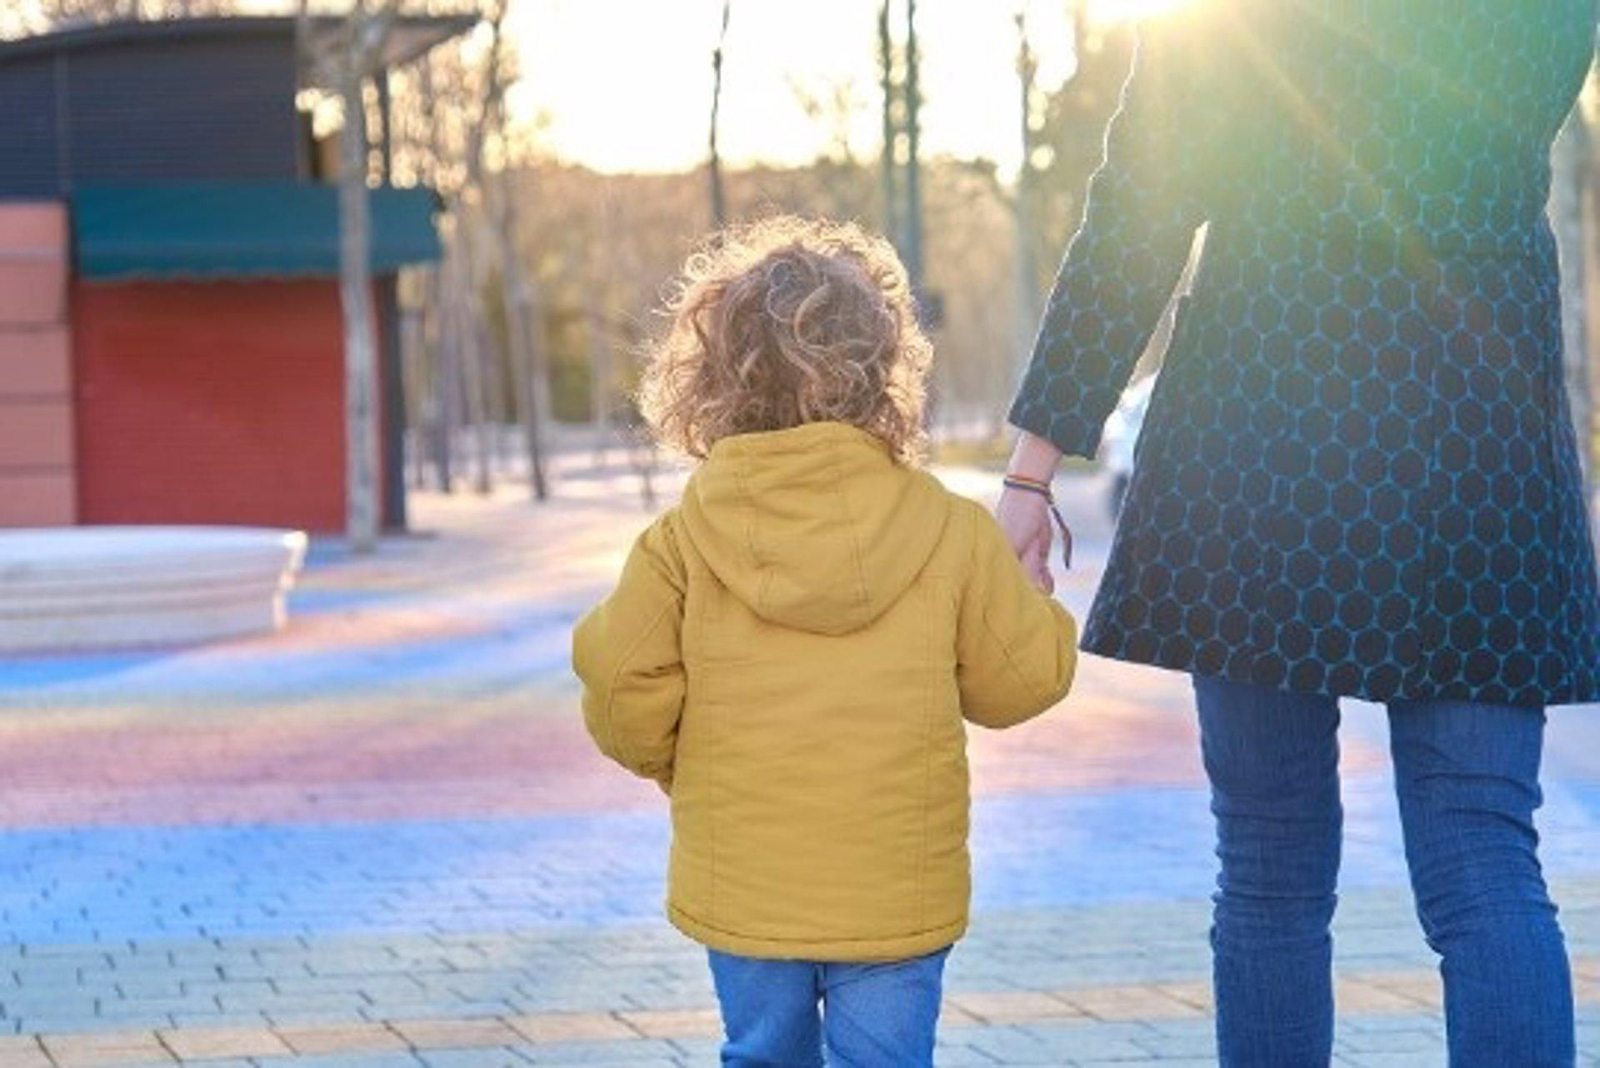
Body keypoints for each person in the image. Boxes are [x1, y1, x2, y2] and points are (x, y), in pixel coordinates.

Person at [997, 1, 1600, 1066]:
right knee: (1483, 856)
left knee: (1270, 865)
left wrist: (1033, 467)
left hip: (1258, 458)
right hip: (1476, 453)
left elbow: (1137, 208)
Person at [572, 217, 1077, 1067]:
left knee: (763, 1054)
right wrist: (1032, 598)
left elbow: (622, 691)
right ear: (883, 373)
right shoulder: (948, 532)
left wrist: (680, 763)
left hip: (744, 879)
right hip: (895, 888)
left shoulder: (681, 543)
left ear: (710, 380)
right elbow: (1018, 682)